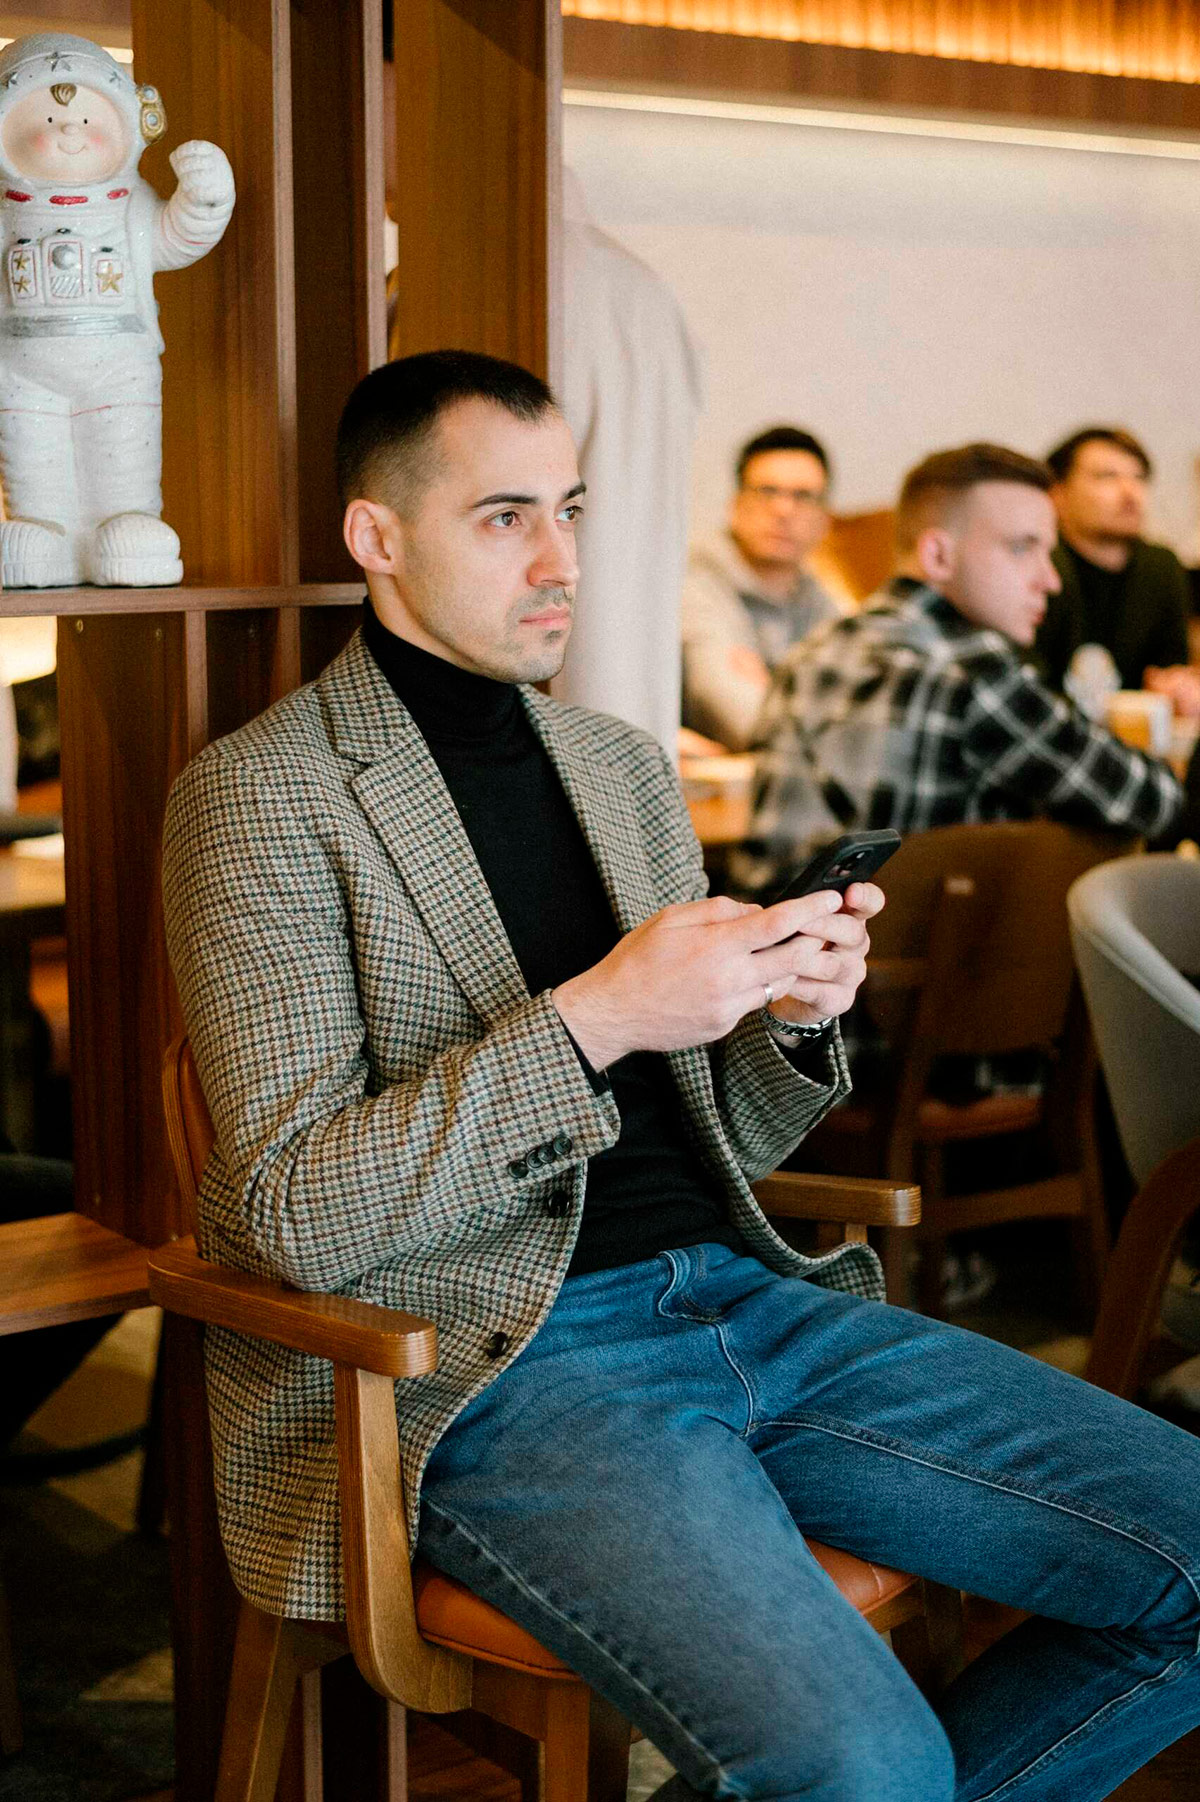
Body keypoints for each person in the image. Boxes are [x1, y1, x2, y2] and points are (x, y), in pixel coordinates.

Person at [163, 365, 1200, 1802]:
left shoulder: (620, 767)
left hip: (750, 1293)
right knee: (862, 1759)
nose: (562, 560)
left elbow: (731, 1135)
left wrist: (787, 1015)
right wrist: (594, 1017)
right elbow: (295, 1210)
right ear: (376, 537)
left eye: (572, 510)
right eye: (506, 517)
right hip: (502, 1363)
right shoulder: (261, 794)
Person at [743, 442, 1182, 892]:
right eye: (1022, 548)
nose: (1049, 580)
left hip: (774, 930)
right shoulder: (976, 673)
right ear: (938, 556)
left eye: (1048, 553)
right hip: (915, 937)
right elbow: (1157, 801)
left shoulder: (809, 652)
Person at [681, 425, 843, 750]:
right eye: (767, 491)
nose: (784, 510)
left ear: (824, 519)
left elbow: (864, 715)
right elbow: (747, 723)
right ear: (736, 505)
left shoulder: (817, 596)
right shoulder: (696, 581)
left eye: (803, 497)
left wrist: (771, 691)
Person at [1036, 427, 1196, 704]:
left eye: (1139, 478)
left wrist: (1179, 687)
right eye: (1107, 477)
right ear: (1057, 494)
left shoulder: (1161, 567)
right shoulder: (1038, 565)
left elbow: (1172, 665)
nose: (1130, 492)